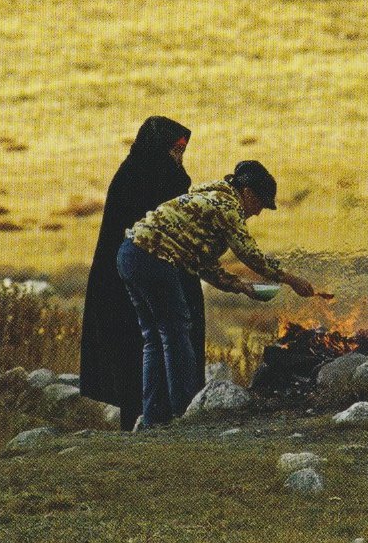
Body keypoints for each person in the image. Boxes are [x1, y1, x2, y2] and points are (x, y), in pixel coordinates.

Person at [116, 160, 317, 428]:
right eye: (260, 203)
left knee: (155, 337)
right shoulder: (227, 206)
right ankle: (185, 414)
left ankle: (154, 418)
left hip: (130, 253)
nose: (258, 212)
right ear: (247, 192)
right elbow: (249, 254)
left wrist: (241, 286)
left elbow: (204, 265)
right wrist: (291, 279)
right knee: (176, 333)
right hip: (153, 257)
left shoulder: (211, 200)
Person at [80, 116, 205, 432]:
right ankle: (159, 418)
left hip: (148, 274)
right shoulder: (140, 178)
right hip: (130, 281)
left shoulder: (144, 173)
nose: (178, 158)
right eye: (175, 150)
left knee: (157, 341)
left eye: (182, 151)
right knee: (142, 347)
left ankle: (157, 419)